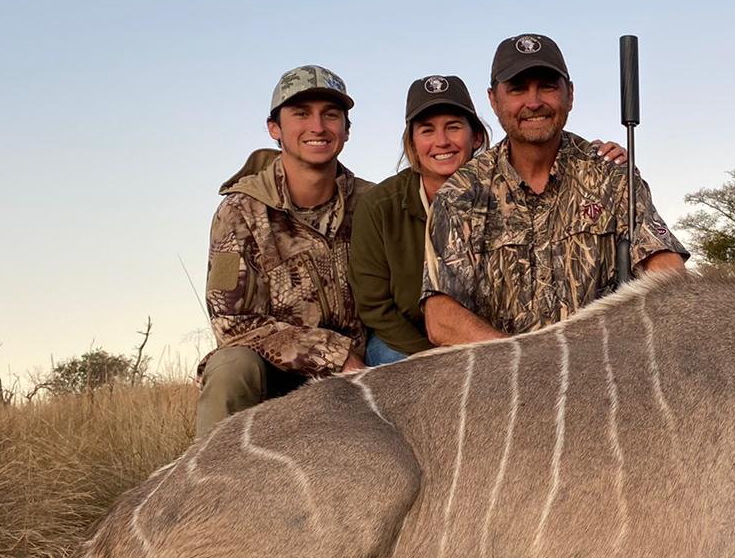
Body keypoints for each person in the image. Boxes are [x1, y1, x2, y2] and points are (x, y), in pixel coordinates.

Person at [421, 33, 689, 344]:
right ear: (493, 101)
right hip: (501, 377)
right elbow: (440, 318)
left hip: (601, 369)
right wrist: (526, 364)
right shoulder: (460, 193)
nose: (533, 102)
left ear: (570, 94)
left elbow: (665, 268)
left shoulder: (612, 174)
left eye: (547, 86)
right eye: (518, 89)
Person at [196, 65, 371, 437]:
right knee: (231, 368)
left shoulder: (373, 202)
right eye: (301, 114)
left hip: (367, 367)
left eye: (331, 115)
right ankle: (213, 489)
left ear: (347, 130)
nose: (318, 127)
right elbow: (233, 324)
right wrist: (332, 355)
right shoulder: (240, 211)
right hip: (278, 376)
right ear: (274, 128)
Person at [349, 75, 489, 365]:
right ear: (412, 142)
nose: (441, 141)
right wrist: (432, 359)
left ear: (475, 136)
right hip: (407, 342)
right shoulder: (379, 205)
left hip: (485, 340)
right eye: (427, 130)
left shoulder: (502, 192)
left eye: (453, 127)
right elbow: (375, 307)